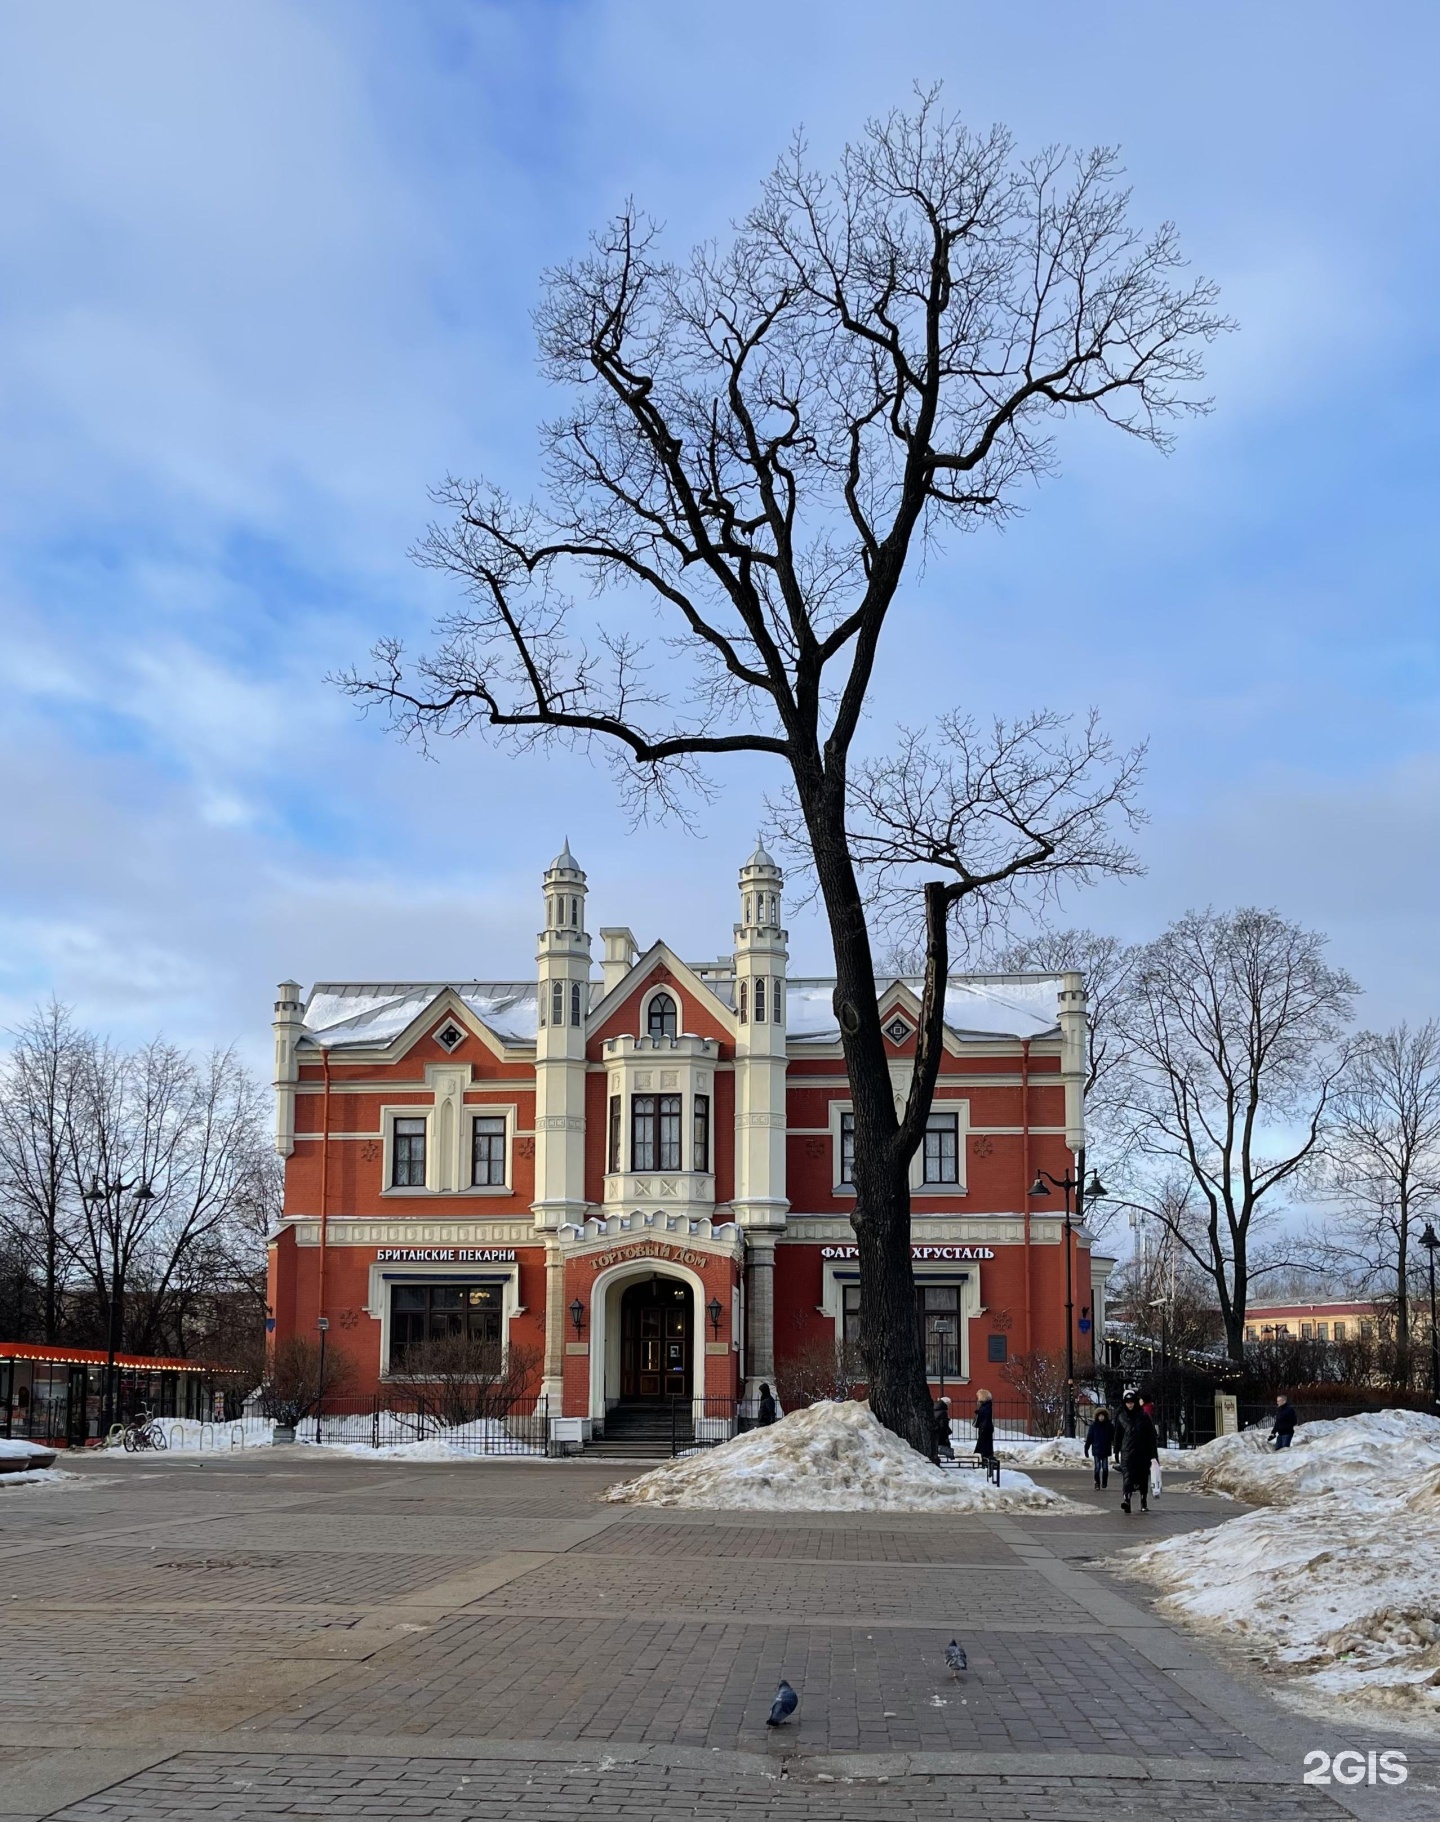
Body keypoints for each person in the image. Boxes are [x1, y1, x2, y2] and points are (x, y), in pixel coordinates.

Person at [1116, 1389, 1158, 1514]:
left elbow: (1151, 1436)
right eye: (1127, 1402)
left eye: (1132, 1402)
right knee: (1127, 1477)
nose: (1130, 1405)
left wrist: (1153, 1455)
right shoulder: (1121, 1417)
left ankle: (1143, 1500)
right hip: (1127, 1452)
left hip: (1142, 1452)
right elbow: (1117, 1436)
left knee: (1143, 1477)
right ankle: (1126, 1500)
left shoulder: (1144, 1416)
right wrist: (1116, 1450)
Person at [1083, 1406, 1114, 1489]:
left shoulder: (1109, 1426)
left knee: (1105, 1468)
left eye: (1102, 1416)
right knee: (1097, 1468)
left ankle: (1104, 1482)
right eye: (1099, 1416)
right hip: (1096, 1449)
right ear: (1097, 1416)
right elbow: (1089, 1438)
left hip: (1105, 1449)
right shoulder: (1094, 1426)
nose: (1101, 1417)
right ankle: (1097, 1483)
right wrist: (1086, 1448)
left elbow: (1113, 1437)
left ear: (1105, 1416)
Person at [974, 1388, 996, 1479]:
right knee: (984, 1448)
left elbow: (985, 1419)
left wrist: (979, 1413)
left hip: (985, 1430)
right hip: (985, 1430)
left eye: (978, 1396)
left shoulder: (986, 1407)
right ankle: (985, 1464)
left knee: (984, 1448)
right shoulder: (986, 1406)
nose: (977, 1398)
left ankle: (986, 1465)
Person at [932, 1396, 954, 1462]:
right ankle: (949, 1457)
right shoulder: (943, 1412)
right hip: (941, 1432)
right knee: (944, 1445)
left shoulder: (935, 1409)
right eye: (949, 1404)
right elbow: (943, 1424)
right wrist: (947, 1431)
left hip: (937, 1431)